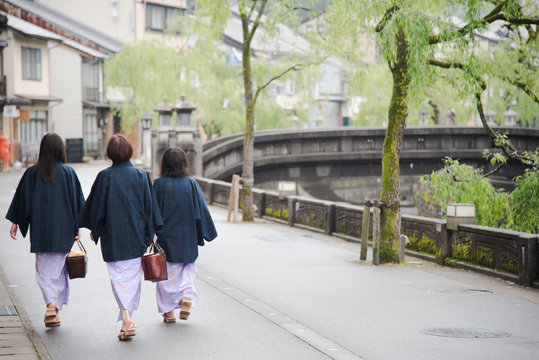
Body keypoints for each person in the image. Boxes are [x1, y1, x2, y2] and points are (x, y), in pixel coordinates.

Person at [76, 134, 162, 340]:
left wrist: (95, 229)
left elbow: (96, 208)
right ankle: (127, 317)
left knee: (117, 278)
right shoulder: (141, 176)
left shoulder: (105, 177)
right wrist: (152, 232)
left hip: (113, 236)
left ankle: (126, 317)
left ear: (110, 153)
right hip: (136, 235)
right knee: (132, 278)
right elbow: (149, 207)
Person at [6, 133, 85, 328]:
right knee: (58, 272)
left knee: (44, 272)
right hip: (63, 232)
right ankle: (53, 307)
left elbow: (22, 202)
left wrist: (16, 221)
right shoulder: (68, 173)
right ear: (61, 150)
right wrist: (77, 227)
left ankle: (51, 307)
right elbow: (78, 203)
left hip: (41, 232)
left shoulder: (32, 173)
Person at [153, 147, 217, 323]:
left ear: (164, 164)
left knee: (166, 277)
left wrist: (150, 233)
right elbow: (200, 211)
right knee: (187, 272)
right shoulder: (191, 184)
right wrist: (205, 232)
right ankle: (187, 295)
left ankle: (169, 312)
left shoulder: (159, 184)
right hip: (187, 238)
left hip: (165, 240)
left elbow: (151, 212)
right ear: (184, 163)